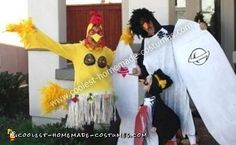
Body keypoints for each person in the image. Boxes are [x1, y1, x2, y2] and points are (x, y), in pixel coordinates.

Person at [6, 11, 120, 145]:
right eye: (92, 31)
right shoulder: (77, 49)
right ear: (87, 33)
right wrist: (37, 33)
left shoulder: (106, 51)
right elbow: (55, 46)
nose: (96, 33)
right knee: (88, 126)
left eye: (99, 31)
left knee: (115, 121)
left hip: (105, 94)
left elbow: (118, 59)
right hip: (85, 95)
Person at [129, 8, 202, 145]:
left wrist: (199, 28)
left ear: (151, 18)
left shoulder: (168, 31)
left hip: (177, 82)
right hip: (160, 86)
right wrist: (138, 72)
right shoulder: (145, 43)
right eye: (141, 25)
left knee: (183, 110)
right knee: (167, 116)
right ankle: (172, 141)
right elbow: (142, 65)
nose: (146, 26)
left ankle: (192, 141)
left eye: (146, 21)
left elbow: (188, 38)